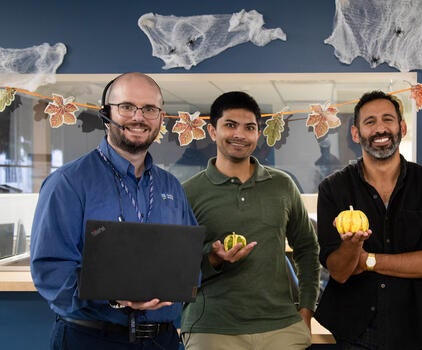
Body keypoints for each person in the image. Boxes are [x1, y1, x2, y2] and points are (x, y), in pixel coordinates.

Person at [30, 72, 199, 350]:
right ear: (105, 113)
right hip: (93, 339)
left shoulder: (171, 186)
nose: (138, 117)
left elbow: (187, 259)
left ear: (160, 117)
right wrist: (116, 296)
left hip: (163, 340)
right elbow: (51, 272)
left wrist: (202, 266)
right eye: (127, 107)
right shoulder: (69, 183)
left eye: (149, 109)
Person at [315, 90, 422, 349]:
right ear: (356, 133)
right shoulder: (333, 189)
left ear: (401, 127)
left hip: (417, 330)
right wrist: (352, 246)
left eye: (388, 119)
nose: (380, 128)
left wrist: (368, 260)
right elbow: (339, 271)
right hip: (354, 332)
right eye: (370, 122)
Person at [180, 91, 320, 350]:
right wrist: (213, 259)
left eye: (250, 127)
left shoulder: (282, 185)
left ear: (258, 133)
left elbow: (308, 249)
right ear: (213, 131)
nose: (240, 135)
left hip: (281, 327)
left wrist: (306, 309)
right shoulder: (188, 192)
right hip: (212, 328)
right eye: (230, 125)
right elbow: (175, 267)